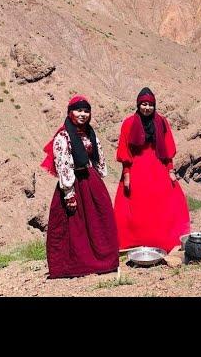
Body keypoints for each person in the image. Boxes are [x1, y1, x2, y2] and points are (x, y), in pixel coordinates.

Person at [40, 95, 119, 278]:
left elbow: (97, 155)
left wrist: (97, 178)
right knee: (74, 226)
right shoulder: (63, 136)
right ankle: (75, 265)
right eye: (78, 110)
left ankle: (104, 262)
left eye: (86, 111)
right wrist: (69, 193)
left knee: (99, 221)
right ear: (70, 113)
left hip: (90, 181)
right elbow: (62, 163)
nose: (83, 114)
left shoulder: (89, 132)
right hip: (74, 182)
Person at [113, 87, 190, 252]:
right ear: (138, 105)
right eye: (144, 104)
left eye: (150, 105)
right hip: (137, 167)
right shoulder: (129, 123)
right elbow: (125, 149)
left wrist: (170, 170)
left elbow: (168, 148)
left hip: (158, 167)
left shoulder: (161, 122)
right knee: (137, 206)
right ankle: (136, 241)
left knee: (163, 204)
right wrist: (127, 173)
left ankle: (160, 240)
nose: (147, 108)